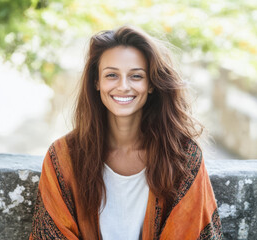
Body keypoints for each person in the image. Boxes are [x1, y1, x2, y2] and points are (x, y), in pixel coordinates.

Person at [29, 26, 222, 240]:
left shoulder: (183, 156)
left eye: (136, 76)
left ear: (150, 84)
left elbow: (191, 233)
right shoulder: (63, 157)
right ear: (97, 82)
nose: (123, 86)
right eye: (111, 75)